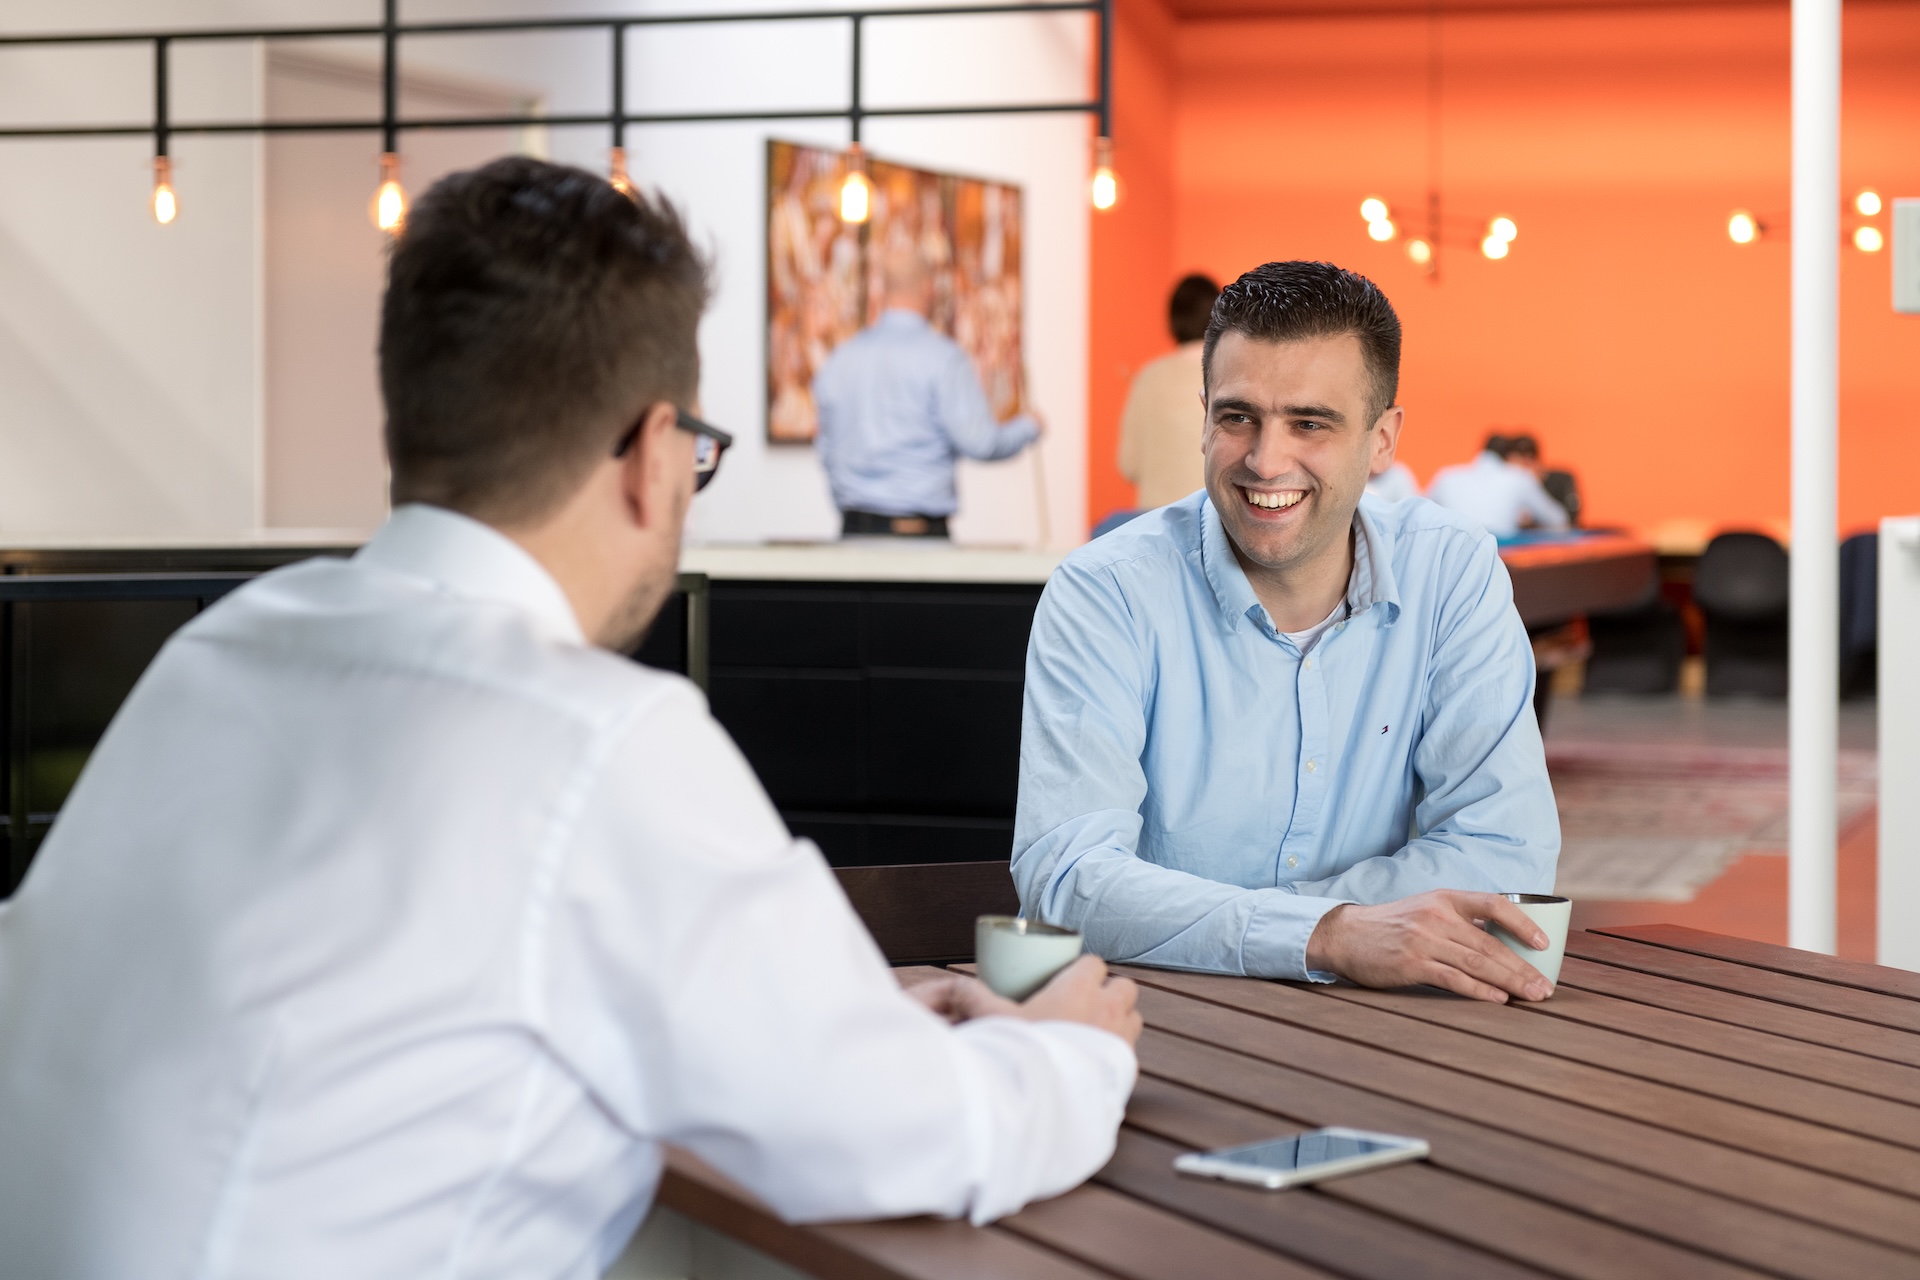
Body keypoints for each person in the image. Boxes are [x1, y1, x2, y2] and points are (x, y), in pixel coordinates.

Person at [0, 158, 1140, 1277]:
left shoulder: (223, 649)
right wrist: (1068, 1053)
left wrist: (812, 1011)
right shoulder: (597, 734)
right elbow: (914, 1139)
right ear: (653, 455)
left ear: (404, 429)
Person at [1014, 260, 1560, 1005]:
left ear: (1382, 440)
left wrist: (1212, 922)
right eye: (1237, 417)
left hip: (1386, 1029)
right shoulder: (1104, 592)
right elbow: (1067, 880)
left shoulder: (1452, 571)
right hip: (1153, 1023)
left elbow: (1505, 856)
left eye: (1309, 423)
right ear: (1204, 418)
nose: (1265, 461)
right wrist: (1327, 934)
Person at [813, 240, 1041, 538]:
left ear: (884, 289)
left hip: (854, 531)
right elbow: (981, 443)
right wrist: (1029, 427)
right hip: (920, 540)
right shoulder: (944, 359)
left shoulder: (841, 359)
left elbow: (826, 447)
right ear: (928, 288)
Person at [1116, 273, 1219, 511]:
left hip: (1156, 520)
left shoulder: (1148, 378)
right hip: (1212, 518)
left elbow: (1128, 464)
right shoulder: (1229, 374)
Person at [1425, 432, 1570, 537]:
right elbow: (1558, 519)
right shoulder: (1519, 477)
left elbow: (1421, 513)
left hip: (1452, 551)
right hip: (1501, 552)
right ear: (1509, 458)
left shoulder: (1446, 475)